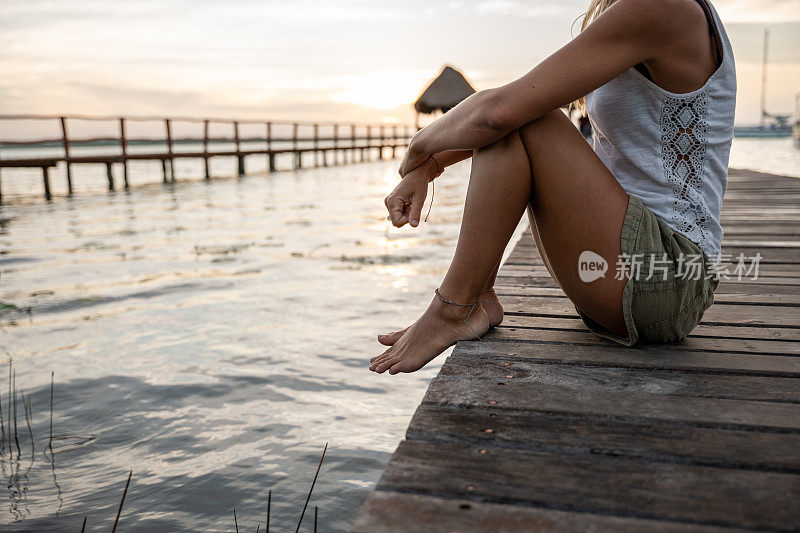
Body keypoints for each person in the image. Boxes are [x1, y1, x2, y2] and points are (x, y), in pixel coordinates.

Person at [369, 0, 735, 375]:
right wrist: (429, 166)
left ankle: (453, 308)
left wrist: (418, 149)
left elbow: (500, 112)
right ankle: (473, 299)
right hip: (630, 270)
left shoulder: (663, 7)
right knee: (522, 117)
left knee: (526, 119)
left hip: (670, 276)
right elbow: (505, 112)